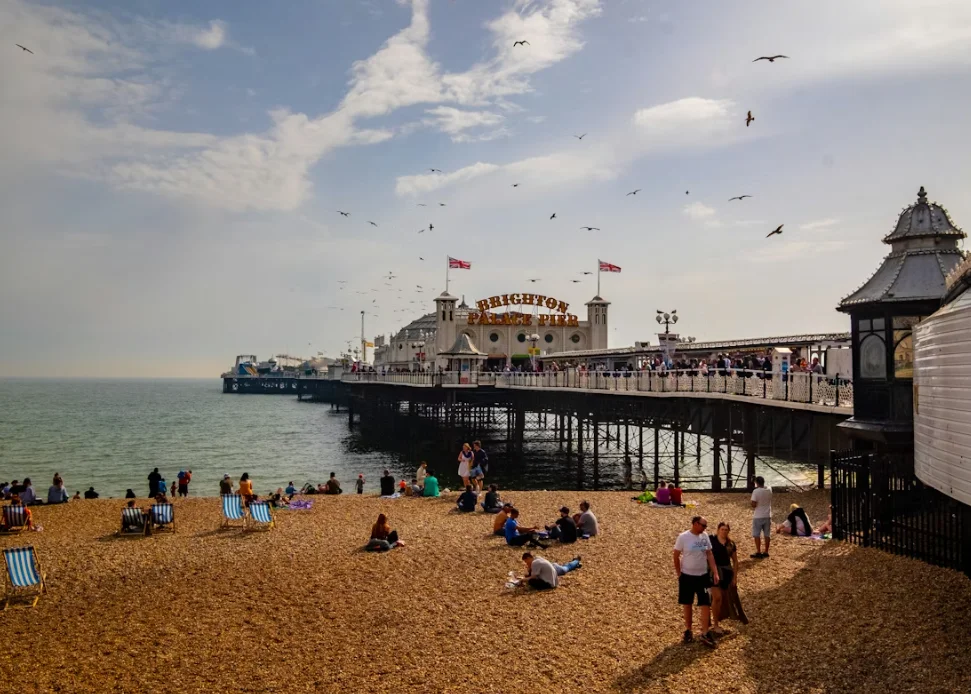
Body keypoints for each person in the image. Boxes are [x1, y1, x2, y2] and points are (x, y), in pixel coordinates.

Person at [673, 516, 720, 648]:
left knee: (705, 603)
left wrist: (715, 571)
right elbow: (676, 555)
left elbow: (709, 554)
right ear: (695, 524)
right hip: (687, 576)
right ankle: (688, 630)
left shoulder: (705, 536)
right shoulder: (683, 537)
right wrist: (679, 573)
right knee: (687, 603)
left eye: (706, 526)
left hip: (703, 576)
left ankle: (705, 632)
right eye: (703, 525)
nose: (705, 528)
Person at [709, 522, 740, 634]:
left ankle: (719, 620)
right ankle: (715, 624)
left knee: (725, 599)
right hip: (713, 572)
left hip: (726, 573)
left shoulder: (730, 544)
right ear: (718, 530)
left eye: (726, 530)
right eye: (722, 529)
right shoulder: (711, 540)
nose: (724, 531)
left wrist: (735, 577)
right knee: (717, 597)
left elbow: (735, 561)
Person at [750, 476, 772, 558]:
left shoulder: (756, 491)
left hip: (758, 515)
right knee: (767, 534)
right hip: (767, 515)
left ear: (756, 483)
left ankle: (758, 551)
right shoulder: (769, 490)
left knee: (756, 534)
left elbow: (753, 504)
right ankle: (766, 551)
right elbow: (768, 486)